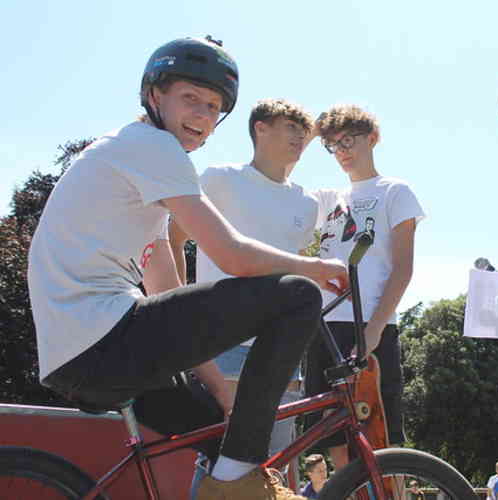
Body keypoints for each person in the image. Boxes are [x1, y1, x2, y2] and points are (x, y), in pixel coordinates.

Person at [27, 36, 348, 500]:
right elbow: (233, 254)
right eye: (190, 99)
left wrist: (220, 388)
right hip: (104, 338)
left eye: (213, 106)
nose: (201, 115)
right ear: (155, 96)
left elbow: (163, 286)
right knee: (297, 295)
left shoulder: (137, 159)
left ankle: (237, 475)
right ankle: (238, 482)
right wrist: (316, 266)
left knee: (220, 433)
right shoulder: (153, 147)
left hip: (82, 354)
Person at [166, 98, 319, 497]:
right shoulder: (219, 179)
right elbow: (173, 238)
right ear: (260, 129)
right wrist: (180, 304)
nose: (300, 137)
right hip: (223, 344)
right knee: (220, 459)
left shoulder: (308, 202)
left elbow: (294, 268)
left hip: (282, 348)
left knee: (274, 463)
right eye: (290, 127)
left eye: (304, 132)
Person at [304, 105, 425, 469]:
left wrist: (372, 331)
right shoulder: (327, 198)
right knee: (334, 441)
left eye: (348, 141)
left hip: (372, 326)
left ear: (373, 138)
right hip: (324, 328)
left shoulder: (395, 191)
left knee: (383, 442)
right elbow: (283, 176)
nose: (341, 151)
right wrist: (315, 132)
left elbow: (403, 268)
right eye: (333, 146)